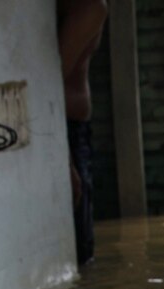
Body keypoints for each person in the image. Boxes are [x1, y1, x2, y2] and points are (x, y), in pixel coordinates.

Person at [57, 0, 108, 266]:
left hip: (71, 132)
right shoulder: (89, 7)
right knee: (80, 253)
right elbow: (50, 82)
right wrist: (63, 158)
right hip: (67, 132)